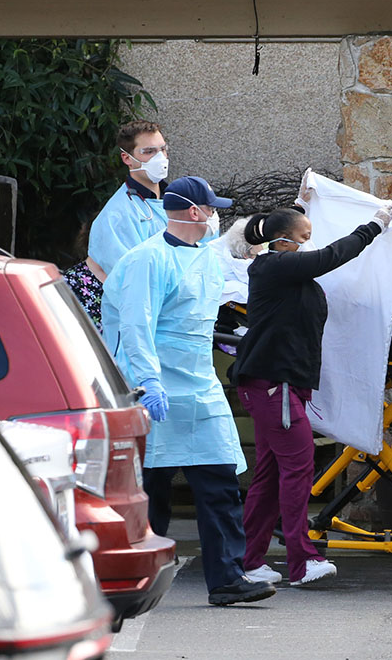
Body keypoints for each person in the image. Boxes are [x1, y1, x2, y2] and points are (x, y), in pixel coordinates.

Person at [101, 176, 274, 606]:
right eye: (213, 208)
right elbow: (135, 325)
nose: (217, 215)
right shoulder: (148, 260)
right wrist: (148, 381)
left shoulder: (205, 257)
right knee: (150, 490)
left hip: (199, 387)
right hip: (154, 387)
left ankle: (228, 579)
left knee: (218, 483)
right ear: (195, 213)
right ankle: (137, 578)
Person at [226, 204, 392, 587]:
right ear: (281, 240)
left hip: (278, 386)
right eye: (304, 236)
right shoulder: (275, 266)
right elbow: (332, 256)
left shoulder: (286, 274)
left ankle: (250, 561)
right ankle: (302, 562)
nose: (309, 243)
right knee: (297, 469)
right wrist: (374, 227)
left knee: (270, 475)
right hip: (275, 385)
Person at [64, 120, 174, 330]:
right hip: (101, 300)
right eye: (149, 151)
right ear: (127, 158)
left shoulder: (172, 201)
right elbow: (130, 278)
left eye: (162, 149)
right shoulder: (117, 214)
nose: (159, 158)